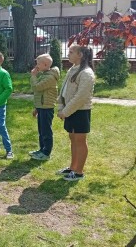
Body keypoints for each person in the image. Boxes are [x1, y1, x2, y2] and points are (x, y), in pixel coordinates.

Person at [56, 45, 95, 181]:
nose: (68, 54)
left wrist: (65, 111)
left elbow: (80, 97)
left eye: (72, 52)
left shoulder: (86, 73)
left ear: (81, 55)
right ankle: (72, 167)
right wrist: (61, 107)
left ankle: (79, 172)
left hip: (80, 112)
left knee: (80, 140)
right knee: (72, 138)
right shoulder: (73, 69)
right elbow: (64, 90)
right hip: (70, 111)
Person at [29, 54, 60, 161]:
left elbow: (37, 87)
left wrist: (33, 76)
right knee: (41, 130)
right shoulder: (44, 74)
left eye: (38, 64)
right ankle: (42, 149)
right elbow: (40, 95)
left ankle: (46, 152)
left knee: (46, 131)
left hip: (47, 108)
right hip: (41, 107)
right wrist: (37, 108)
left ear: (45, 64)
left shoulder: (50, 77)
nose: (36, 66)